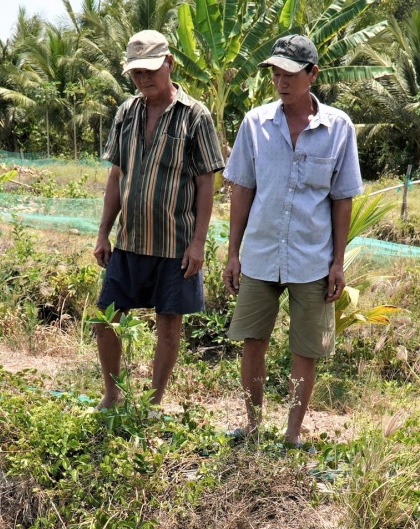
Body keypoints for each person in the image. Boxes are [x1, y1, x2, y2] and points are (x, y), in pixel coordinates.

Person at [221, 35, 362, 448]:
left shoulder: (338, 128)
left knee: (305, 350)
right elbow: (242, 189)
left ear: (312, 74)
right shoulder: (255, 124)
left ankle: (292, 435)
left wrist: (337, 262)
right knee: (253, 340)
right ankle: (251, 427)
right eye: (275, 73)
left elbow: (342, 198)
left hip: (311, 257)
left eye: (290, 73)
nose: (281, 81)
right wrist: (233, 253)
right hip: (261, 253)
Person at [93, 29, 226, 411]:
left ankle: (153, 403)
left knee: (169, 326)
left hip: (175, 245)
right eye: (136, 73)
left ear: (169, 64)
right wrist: (103, 233)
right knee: (105, 319)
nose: (144, 79)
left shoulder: (195, 116)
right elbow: (117, 176)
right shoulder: (127, 112)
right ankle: (112, 394)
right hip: (130, 241)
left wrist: (199, 242)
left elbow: (206, 183)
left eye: (151, 70)